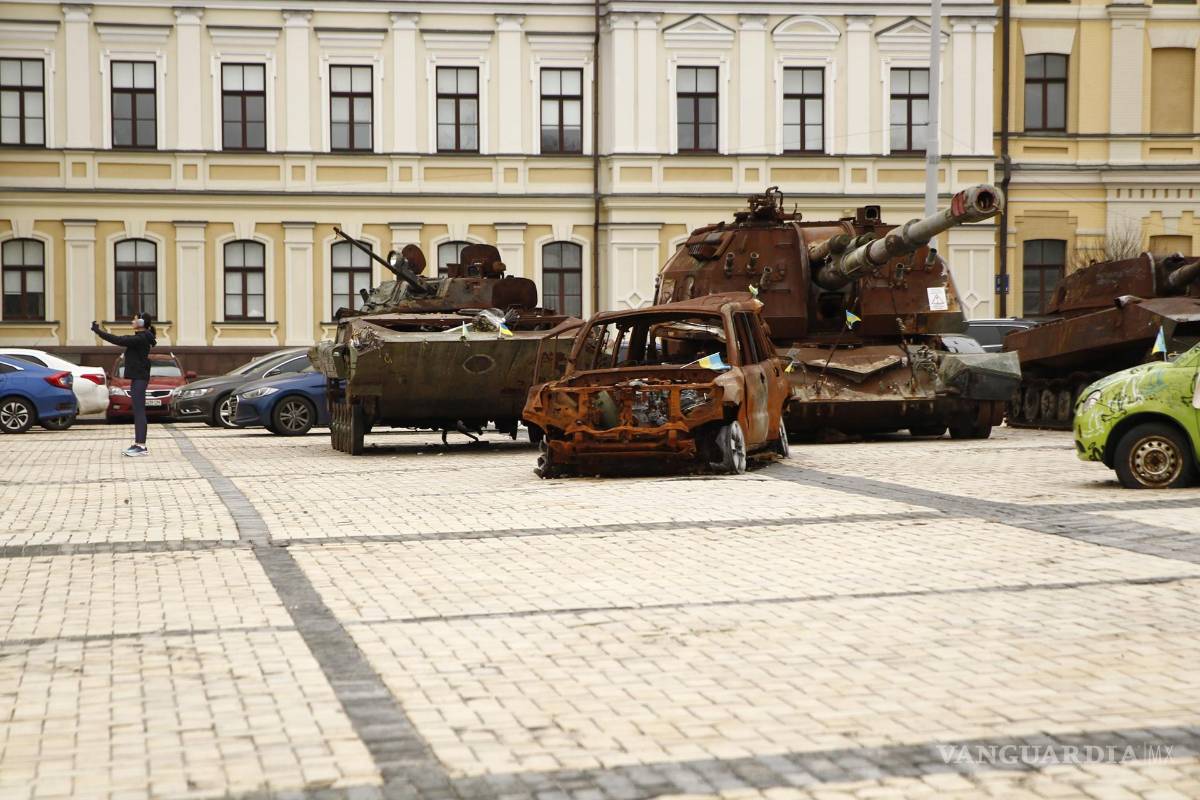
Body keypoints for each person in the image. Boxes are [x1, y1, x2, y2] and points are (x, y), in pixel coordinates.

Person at [92, 313, 156, 456]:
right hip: (137, 377)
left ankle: (141, 446)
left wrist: (98, 332)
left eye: (135, 319)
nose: (132, 321)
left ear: (141, 322)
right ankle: (138, 443)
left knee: (139, 411)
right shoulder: (142, 337)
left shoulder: (141, 338)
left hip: (140, 378)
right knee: (137, 411)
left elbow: (118, 340)